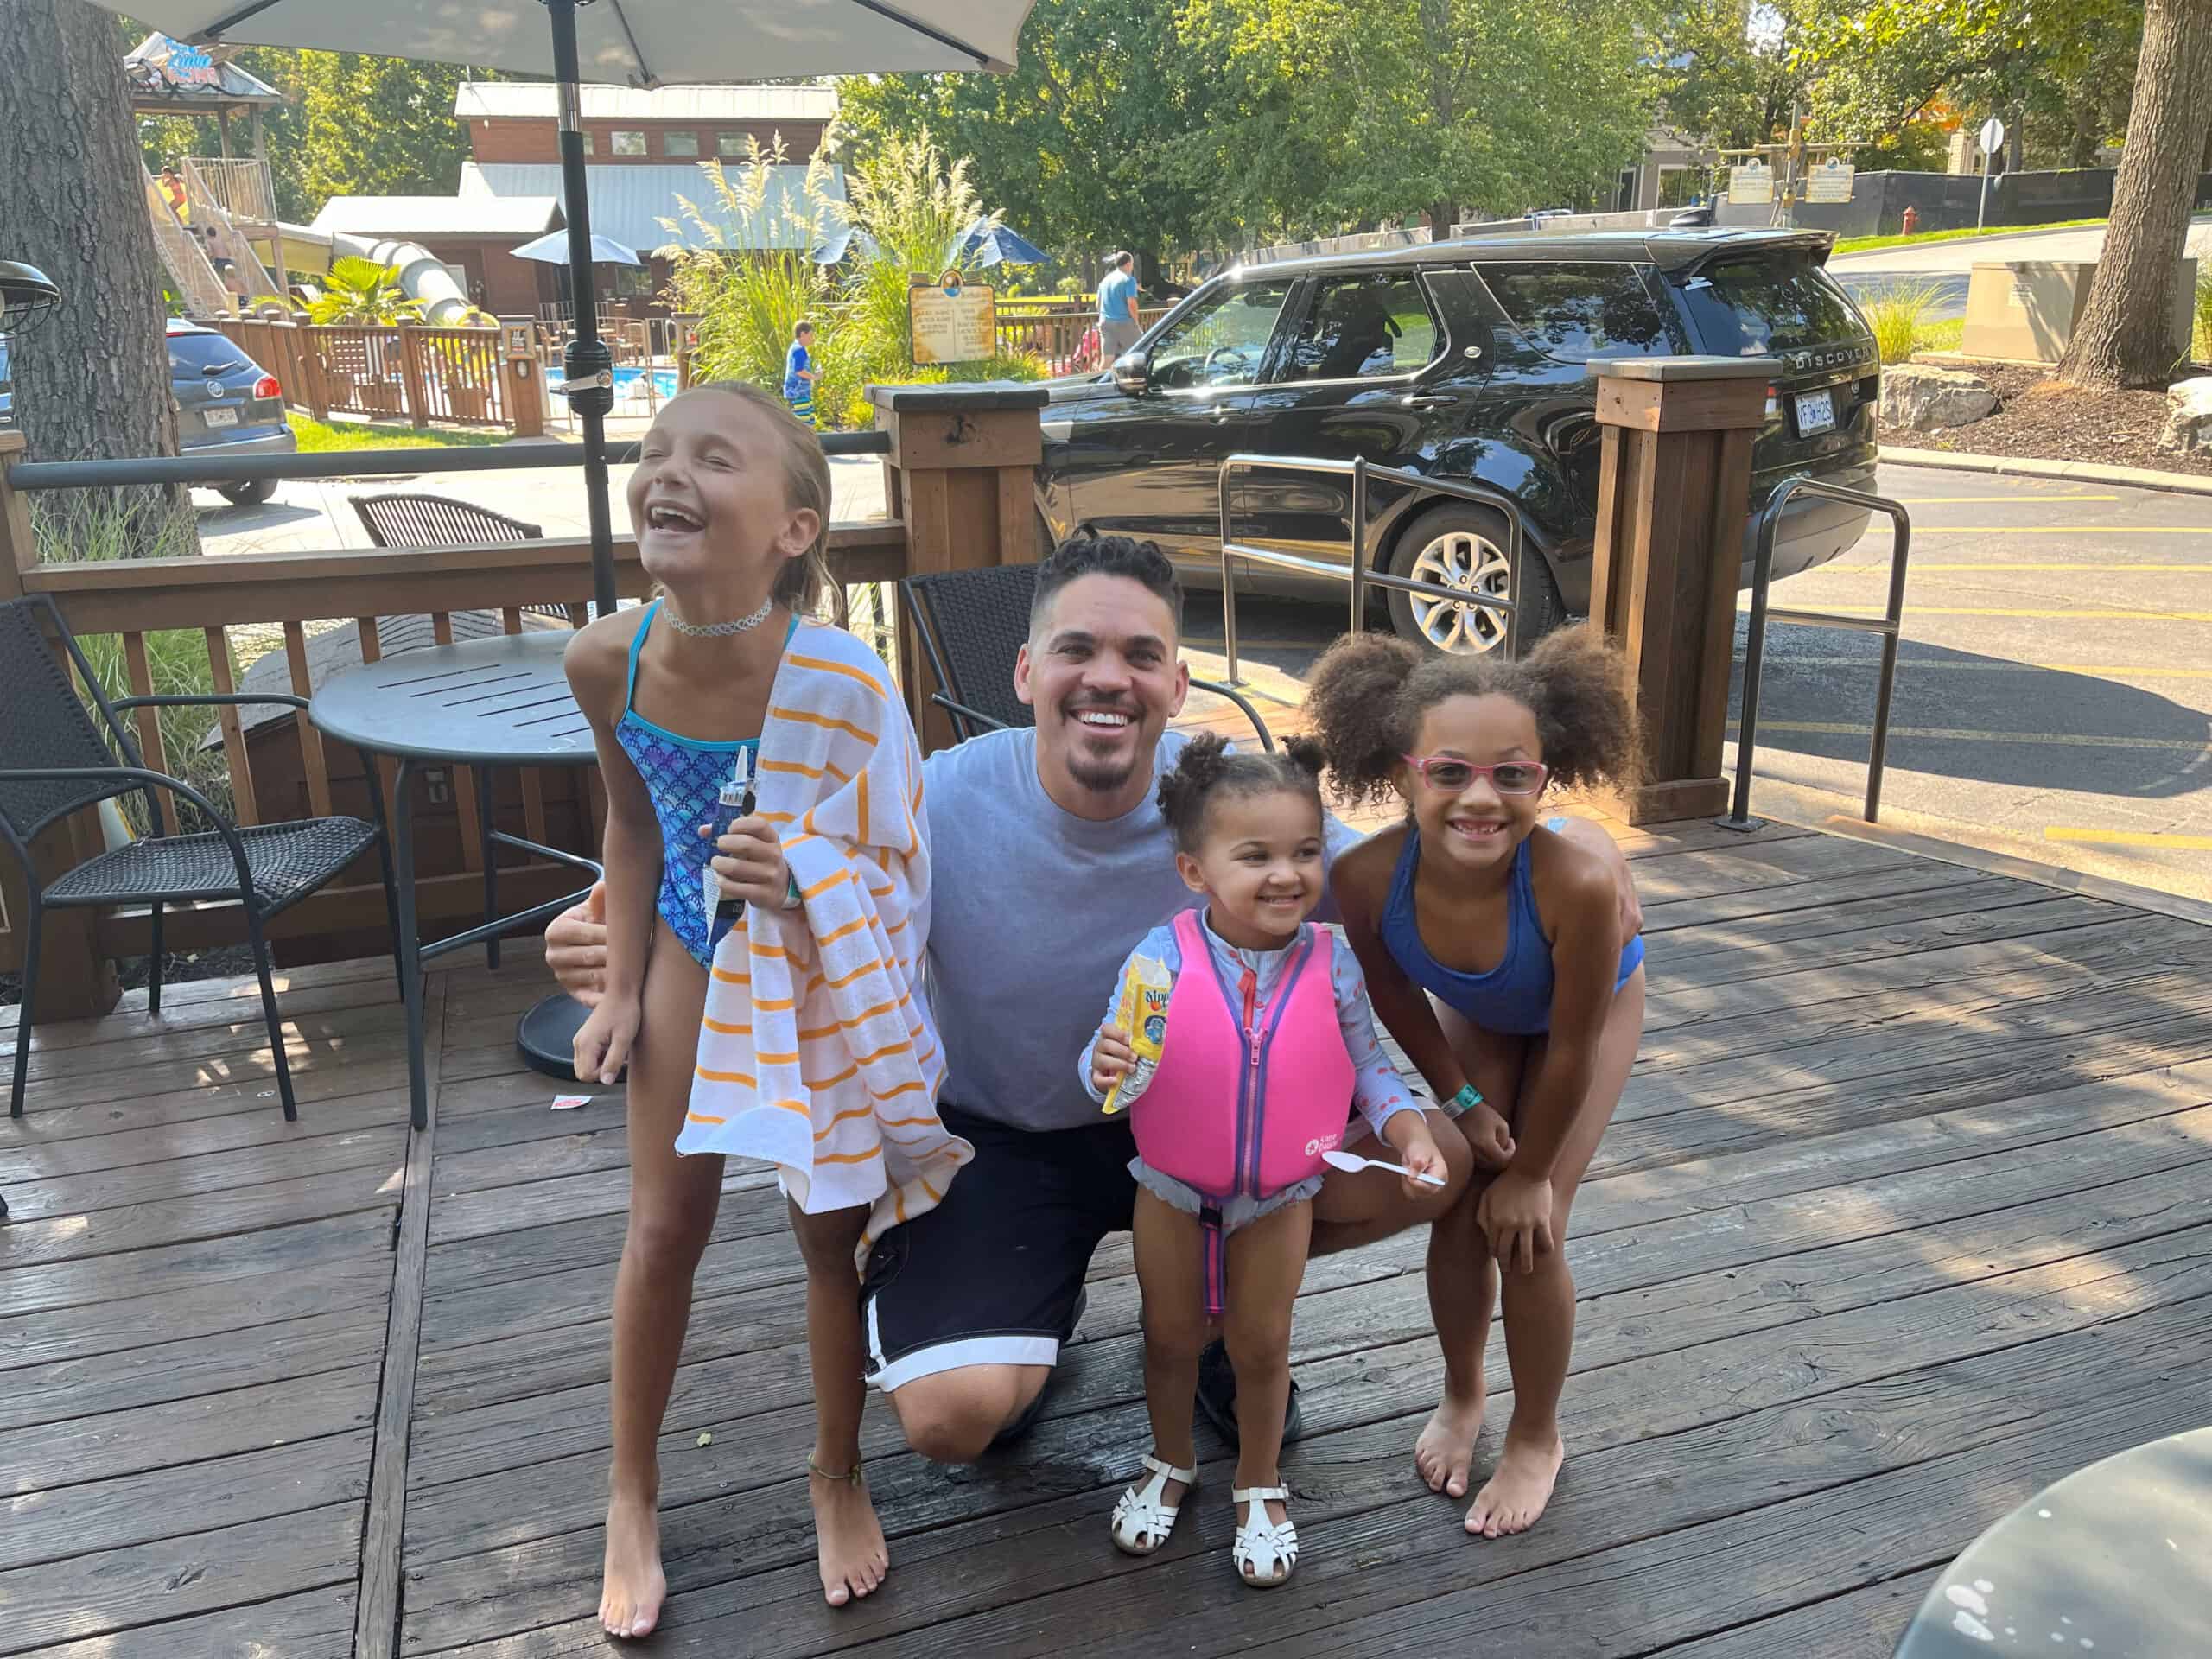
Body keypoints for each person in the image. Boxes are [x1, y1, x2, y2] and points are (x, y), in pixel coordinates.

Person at [542, 537, 1643, 1481]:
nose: (1106, 678)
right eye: (1077, 650)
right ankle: (1039, 1308)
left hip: (1208, 1141)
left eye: (1140, 656)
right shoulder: (930, 794)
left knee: (1436, 1160)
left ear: (1175, 687)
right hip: (1000, 1143)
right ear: (1027, 672)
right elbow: (788, 877)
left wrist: (1581, 859)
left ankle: (1217, 1325)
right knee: (954, 1424)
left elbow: (1428, 877)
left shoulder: (1241, 810)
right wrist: (611, 930)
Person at [564, 380, 963, 1637]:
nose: (668, 471)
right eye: (655, 449)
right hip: (692, 937)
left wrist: (808, 878)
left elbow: (902, 858)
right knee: (663, 1230)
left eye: (714, 457)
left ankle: (836, 1469)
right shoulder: (604, 659)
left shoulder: (845, 685)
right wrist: (621, 982)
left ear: (793, 529)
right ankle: (632, 1494)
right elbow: (632, 830)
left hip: (812, 961)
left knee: (824, 1232)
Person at [1309, 626, 1648, 1541]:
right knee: (1463, 1201)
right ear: (1403, 768)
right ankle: (1463, 1394)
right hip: (1485, 1016)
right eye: (1449, 771)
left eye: (1512, 774)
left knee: (1526, 1227)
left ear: (1548, 775)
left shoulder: (1573, 880)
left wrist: (1534, 1169)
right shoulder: (1365, 876)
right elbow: (1393, 994)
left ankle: (1537, 1435)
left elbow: (1571, 1047)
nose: (1479, 798)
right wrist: (1459, 1099)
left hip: (1589, 1016)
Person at [1084, 736, 1446, 1588]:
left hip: (1281, 1198)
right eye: (1256, 856)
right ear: (1194, 870)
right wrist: (1095, 1066)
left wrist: (1408, 1133)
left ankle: (1257, 1478)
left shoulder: (1334, 964)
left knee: (1262, 1344)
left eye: (1306, 852)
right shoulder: (1159, 959)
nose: (1286, 875)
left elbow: (1369, 1070)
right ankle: (1170, 1460)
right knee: (1168, 1339)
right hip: (1168, 1192)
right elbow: (1109, 1068)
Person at [1096, 251, 1142, 365]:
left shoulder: (1105, 280)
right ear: (1128, 264)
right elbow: (1131, 303)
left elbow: (1098, 304)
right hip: (1124, 322)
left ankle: (1102, 382)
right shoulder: (1129, 279)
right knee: (1142, 350)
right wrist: (1136, 322)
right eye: (1132, 264)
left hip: (1105, 323)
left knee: (1107, 359)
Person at [784, 320, 818, 428]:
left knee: (809, 421)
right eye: (811, 335)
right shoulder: (798, 350)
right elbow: (799, 370)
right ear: (803, 334)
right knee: (803, 424)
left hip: (801, 393)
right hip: (798, 393)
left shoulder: (797, 348)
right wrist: (814, 377)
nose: (812, 338)